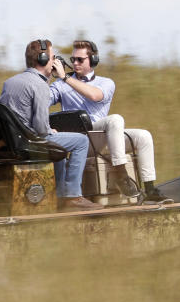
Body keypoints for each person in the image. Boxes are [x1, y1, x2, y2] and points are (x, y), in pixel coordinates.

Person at [49, 39, 166, 202]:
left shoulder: (106, 83)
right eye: (73, 59)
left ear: (93, 60)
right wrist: (47, 74)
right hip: (80, 140)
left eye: (80, 60)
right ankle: (121, 175)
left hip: (101, 135)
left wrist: (66, 78)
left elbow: (94, 95)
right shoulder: (60, 85)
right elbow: (43, 100)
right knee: (115, 120)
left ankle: (150, 189)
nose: (75, 63)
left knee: (143, 136)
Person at [0, 39, 97, 210]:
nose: (54, 62)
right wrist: (50, 130)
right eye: (52, 58)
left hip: (14, 142)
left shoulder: (10, 82)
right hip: (31, 143)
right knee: (81, 141)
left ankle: (58, 196)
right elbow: (42, 130)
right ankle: (73, 196)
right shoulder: (41, 85)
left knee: (57, 143)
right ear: (43, 59)